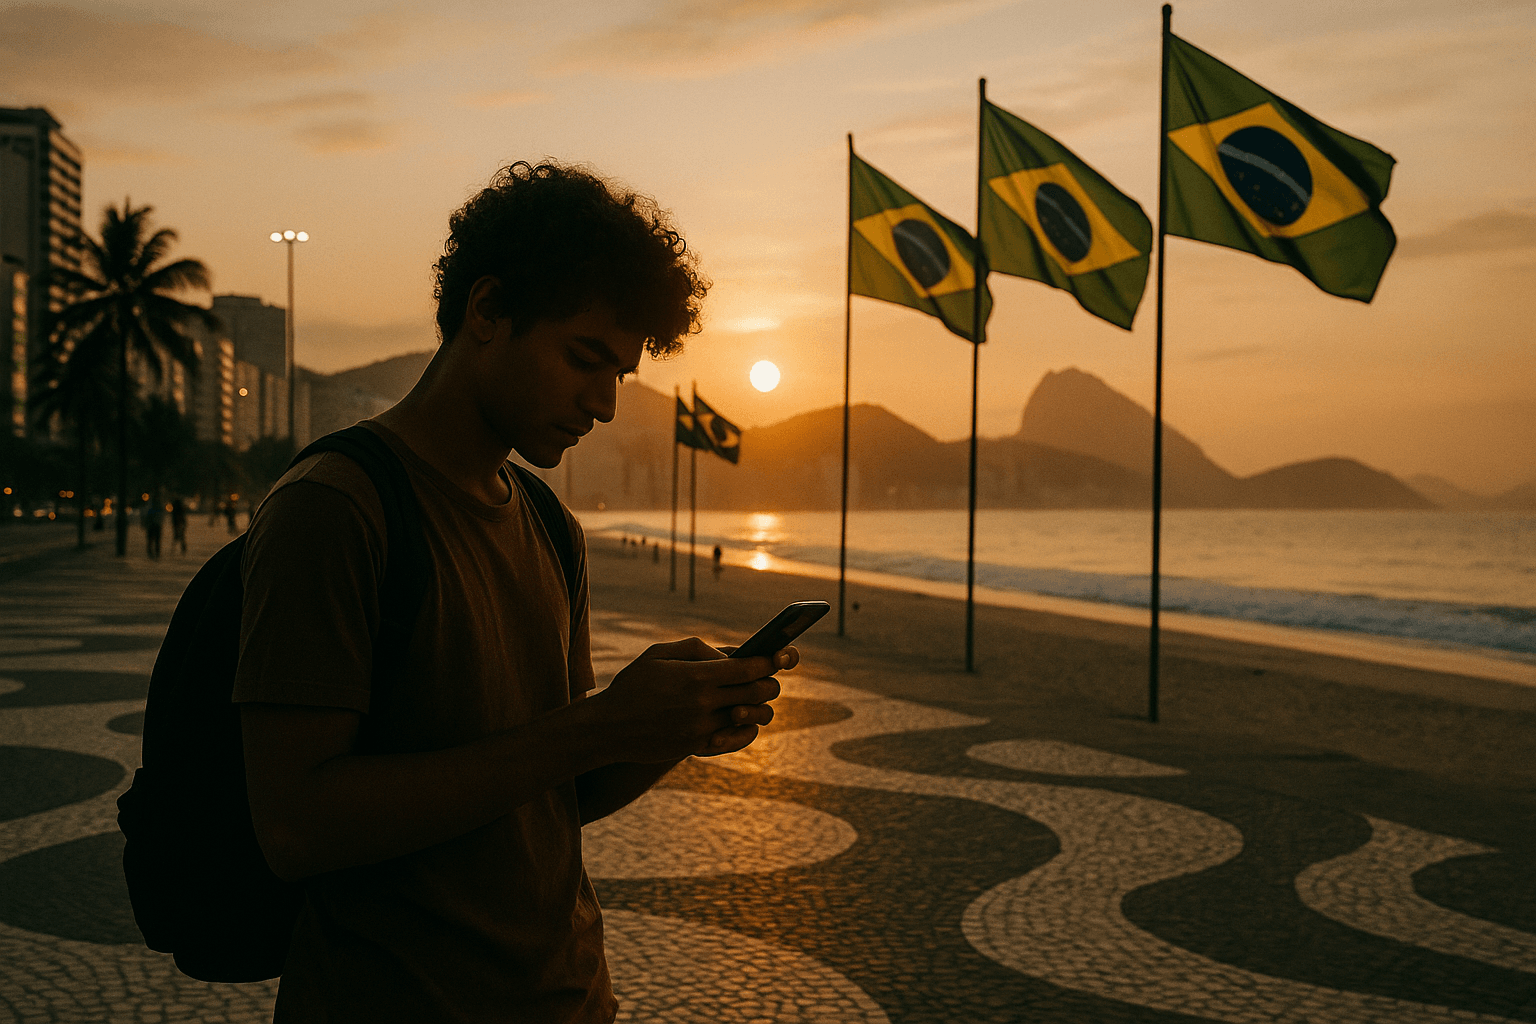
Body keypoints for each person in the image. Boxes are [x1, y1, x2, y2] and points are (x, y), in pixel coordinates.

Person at [234, 161, 792, 1024]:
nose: (604, 403)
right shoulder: (336, 510)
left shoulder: (547, 523)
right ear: (486, 311)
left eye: (621, 376)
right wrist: (601, 725)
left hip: (570, 1000)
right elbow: (296, 826)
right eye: (584, 360)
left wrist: (665, 731)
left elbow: (558, 789)